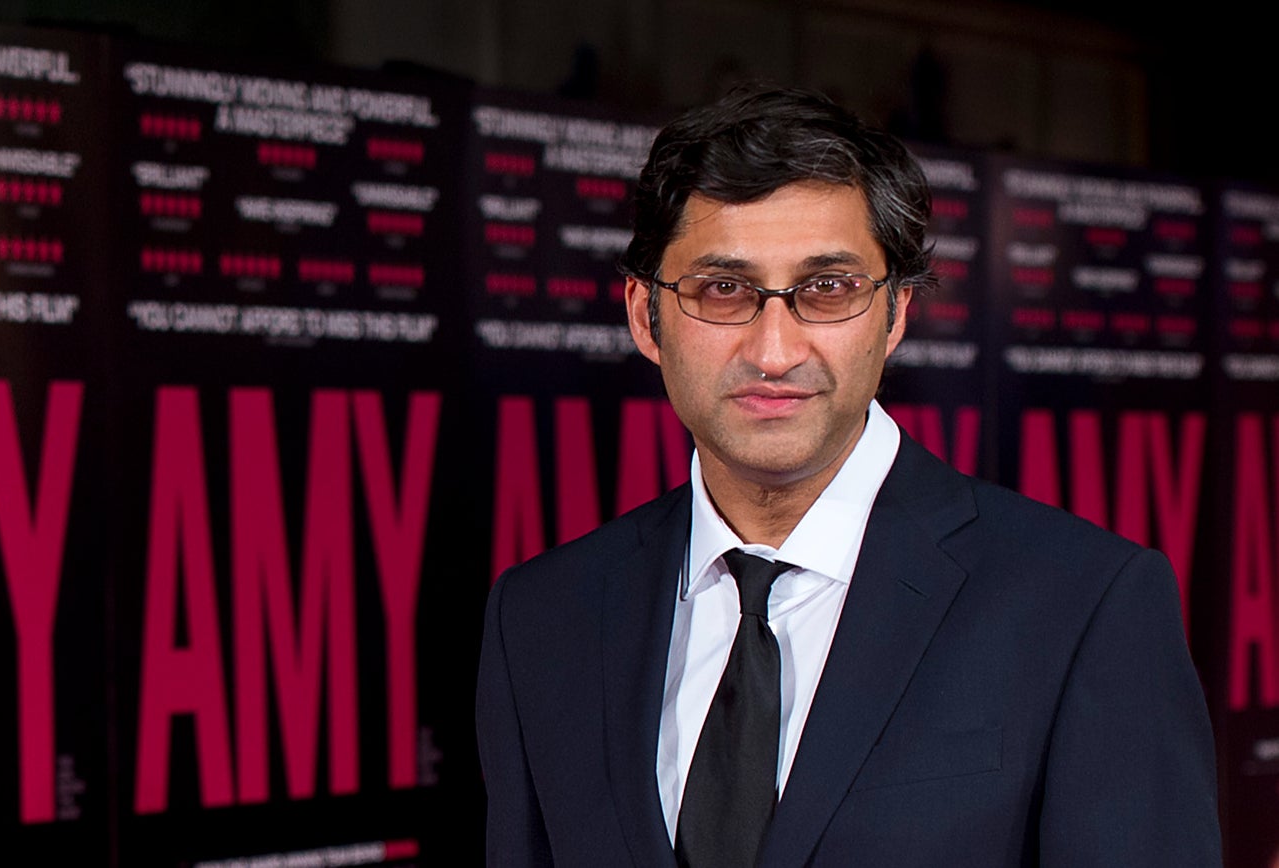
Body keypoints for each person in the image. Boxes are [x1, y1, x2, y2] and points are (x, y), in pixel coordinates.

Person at [475, 83, 1221, 866]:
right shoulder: (540, 620)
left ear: (895, 313)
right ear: (643, 314)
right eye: (722, 290)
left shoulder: (1084, 606)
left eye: (826, 290)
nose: (774, 351)